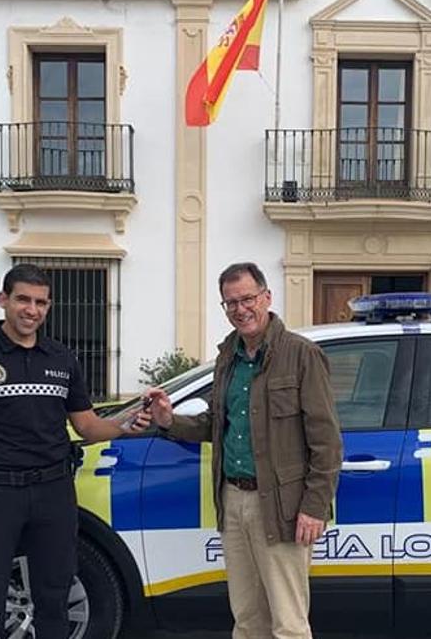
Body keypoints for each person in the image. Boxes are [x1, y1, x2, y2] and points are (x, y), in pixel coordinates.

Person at [0, 263, 149, 639]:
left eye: (40, 302)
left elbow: (86, 425)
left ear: (48, 306)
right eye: (23, 300)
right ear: (3, 300)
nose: (31, 310)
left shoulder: (62, 358)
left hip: (53, 492)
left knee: (54, 603)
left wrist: (125, 425)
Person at [147, 261, 341, 639]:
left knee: (288, 623)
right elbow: (218, 424)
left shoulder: (302, 354)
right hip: (233, 500)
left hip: (281, 505)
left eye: (248, 299)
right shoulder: (228, 357)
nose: (241, 309)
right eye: (231, 303)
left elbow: (327, 441)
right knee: (248, 620)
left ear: (266, 297)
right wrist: (169, 420)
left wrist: (314, 506)